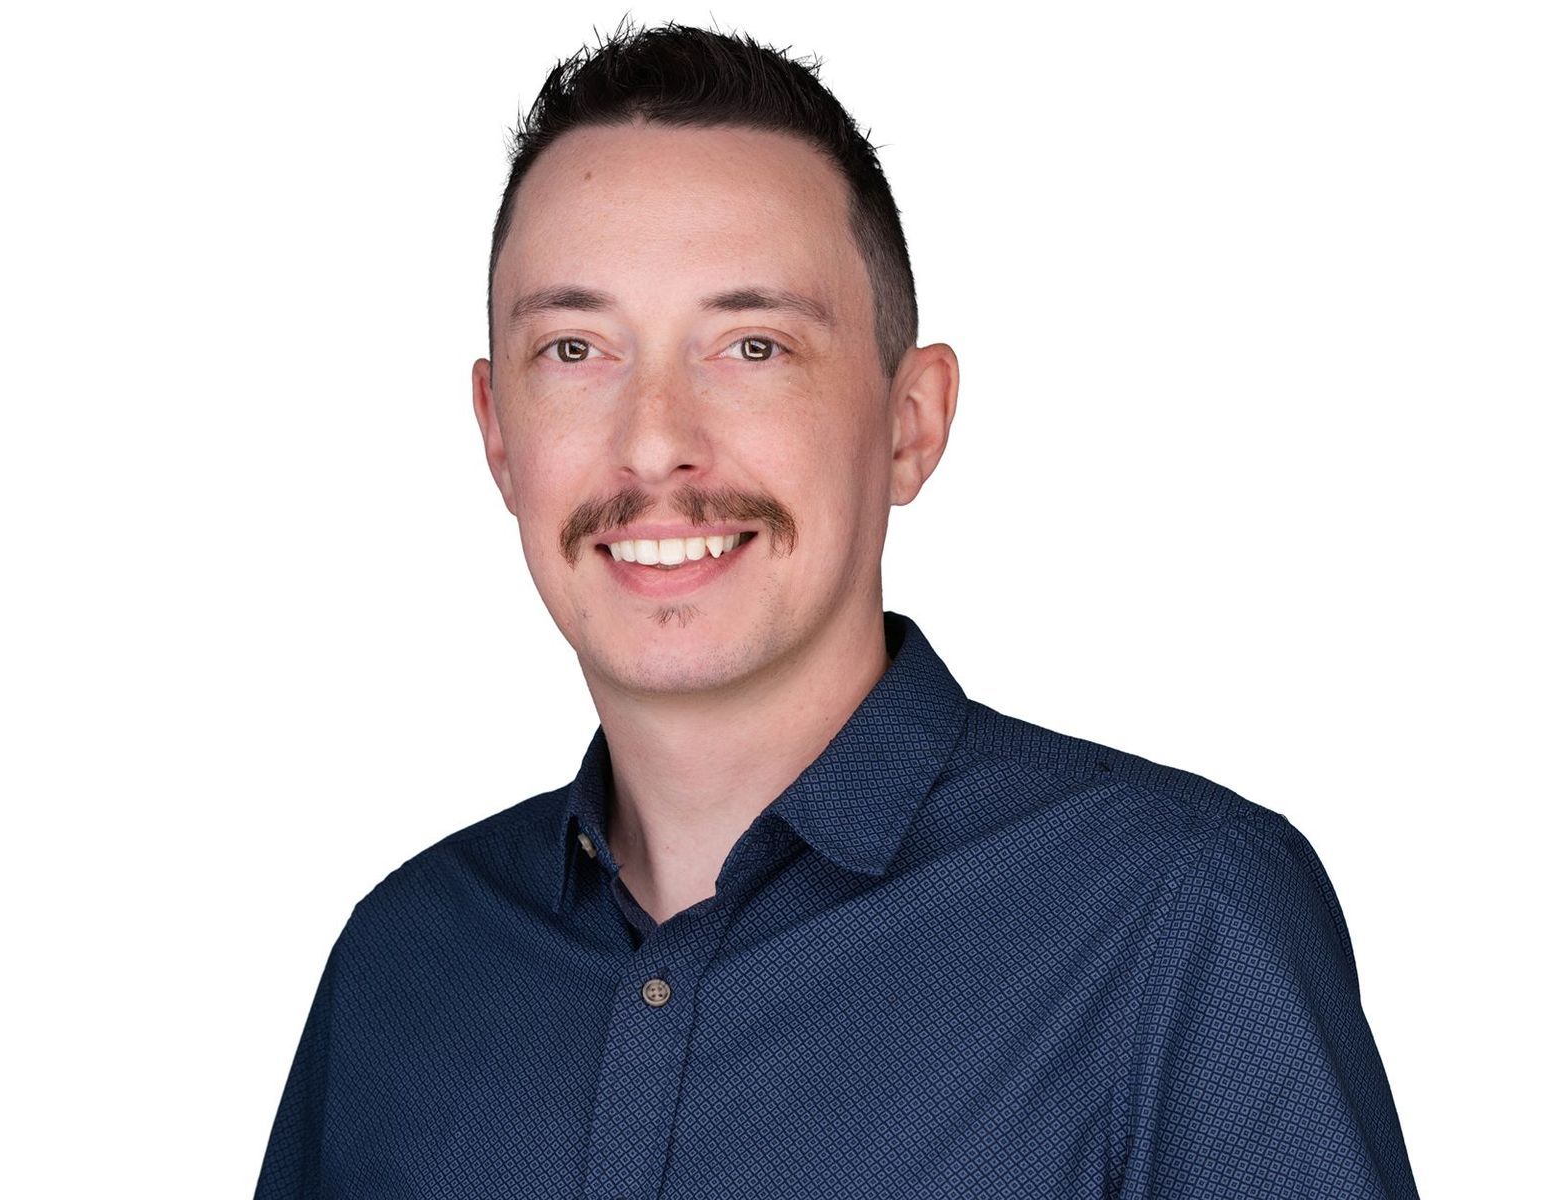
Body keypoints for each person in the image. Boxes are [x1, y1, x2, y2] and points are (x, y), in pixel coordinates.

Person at [254, 19, 1418, 1199]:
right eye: (575, 349)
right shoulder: (399, 969)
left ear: (911, 423)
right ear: (498, 435)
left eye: (752, 346)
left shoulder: (1176, 923)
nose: (656, 440)